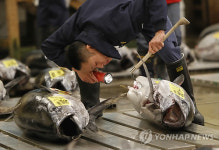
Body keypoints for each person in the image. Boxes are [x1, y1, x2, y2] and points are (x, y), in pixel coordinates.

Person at [41, 0, 204, 125]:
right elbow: (49, 46)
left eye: (95, 65)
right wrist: (77, 68)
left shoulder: (125, 18)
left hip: (146, 11)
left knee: (170, 52)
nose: (102, 67)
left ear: (91, 47)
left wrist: (160, 30)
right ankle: (91, 107)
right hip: (109, 13)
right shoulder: (76, 25)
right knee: (84, 64)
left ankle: (190, 106)